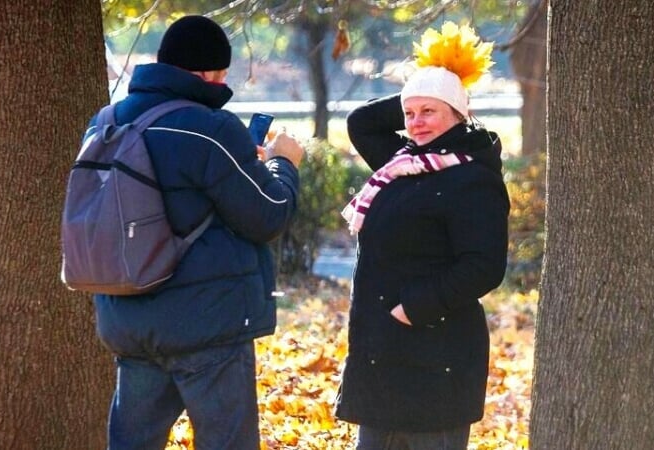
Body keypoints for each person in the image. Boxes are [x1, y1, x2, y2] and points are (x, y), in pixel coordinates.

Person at [87, 15, 304, 450]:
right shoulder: (212, 128)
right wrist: (285, 163)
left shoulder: (106, 121)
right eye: (222, 74)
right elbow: (269, 214)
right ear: (209, 73)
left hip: (129, 318)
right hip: (207, 325)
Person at [336, 22, 510, 450]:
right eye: (409, 114)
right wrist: (425, 88)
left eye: (429, 112)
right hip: (382, 357)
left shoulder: (473, 177)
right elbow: (361, 122)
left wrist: (412, 309)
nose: (415, 123)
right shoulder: (403, 162)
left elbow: (484, 267)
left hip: (438, 359)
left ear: (459, 114)